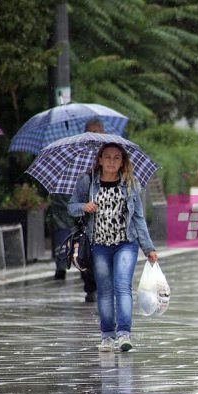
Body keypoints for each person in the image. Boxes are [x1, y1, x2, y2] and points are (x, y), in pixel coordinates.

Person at [69, 143, 158, 352]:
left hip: (126, 244)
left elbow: (138, 218)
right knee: (105, 291)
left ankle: (124, 334)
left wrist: (149, 248)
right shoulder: (87, 182)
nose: (111, 161)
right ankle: (107, 335)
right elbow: (71, 207)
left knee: (122, 287)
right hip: (99, 245)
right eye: (107, 157)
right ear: (99, 159)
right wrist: (84, 207)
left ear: (123, 161)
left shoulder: (130, 184)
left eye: (116, 158)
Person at [49, 118, 105, 302]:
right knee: (85, 254)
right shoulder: (78, 158)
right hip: (84, 218)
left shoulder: (112, 156)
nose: (94, 135)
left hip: (106, 219)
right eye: (91, 132)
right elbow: (72, 200)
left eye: (98, 132)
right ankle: (91, 287)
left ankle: (103, 286)